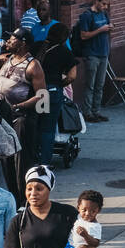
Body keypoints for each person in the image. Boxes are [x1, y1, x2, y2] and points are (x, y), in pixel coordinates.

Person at [0, 28, 45, 190]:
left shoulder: (33, 65)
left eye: (12, 38)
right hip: (3, 119)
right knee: (6, 160)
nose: (8, 41)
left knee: (20, 162)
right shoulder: (6, 59)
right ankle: (12, 198)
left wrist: (18, 106)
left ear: (23, 43)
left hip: (21, 120)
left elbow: (42, 97)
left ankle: (23, 202)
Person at [37, 22, 76, 169]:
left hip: (37, 92)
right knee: (48, 128)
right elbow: (72, 76)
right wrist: (60, 84)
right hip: (52, 91)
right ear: (63, 37)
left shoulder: (38, 46)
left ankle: (34, 157)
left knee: (37, 124)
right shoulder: (64, 51)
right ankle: (45, 163)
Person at [75, 0, 112, 123]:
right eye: (103, 4)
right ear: (96, 1)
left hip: (103, 53)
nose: (105, 7)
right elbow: (83, 35)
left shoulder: (104, 14)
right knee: (90, 84)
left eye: (107, 4)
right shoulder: (87, 16)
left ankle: (96, 111)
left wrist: (109, 28)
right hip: (91, 54)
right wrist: (100, 30)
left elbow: (107, 28)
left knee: (99, 85)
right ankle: (87, 112)